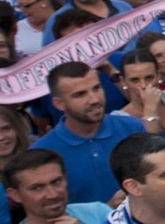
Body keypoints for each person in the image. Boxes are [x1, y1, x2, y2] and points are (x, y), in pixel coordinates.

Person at [32, 62, 147, 205]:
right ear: (59, 104)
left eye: (96, 88)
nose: (94, 99)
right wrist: (105, 210)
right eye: (80, 94)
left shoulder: (132, 128)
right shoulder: (42, 153)